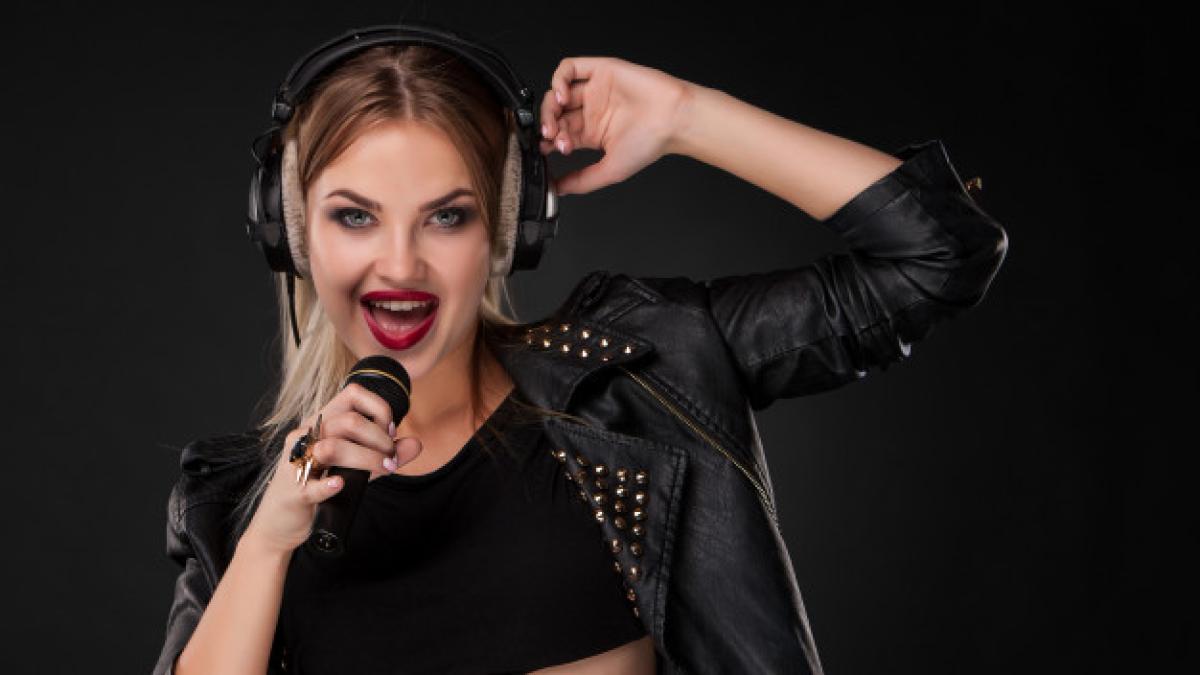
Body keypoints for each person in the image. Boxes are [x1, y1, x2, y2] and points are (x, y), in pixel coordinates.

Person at [153, 25, 1009, 675]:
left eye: (447, 215)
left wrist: (687, 116)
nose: (401, 265)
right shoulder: (236, 509)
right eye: (355, 215)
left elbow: (935, 256)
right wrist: (270, 542)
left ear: (509, 230)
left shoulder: (646, 371)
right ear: (292, 234)